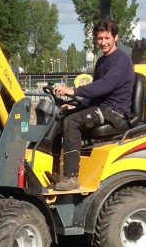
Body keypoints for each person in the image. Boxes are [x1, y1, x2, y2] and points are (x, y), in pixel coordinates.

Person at [50, 19, 135, 191]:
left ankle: (71, 178)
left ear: (115, 37)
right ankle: (54, 170)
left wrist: (73, 91)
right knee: (61, 115)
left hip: (115, 112)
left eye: (107, 38)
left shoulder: (122, 60)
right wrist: (77, 105)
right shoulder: (102, 61)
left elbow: (105, 85)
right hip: (102, 106)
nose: (103, 42)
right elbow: (96, 92)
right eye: (100, 39)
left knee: (72, 122)